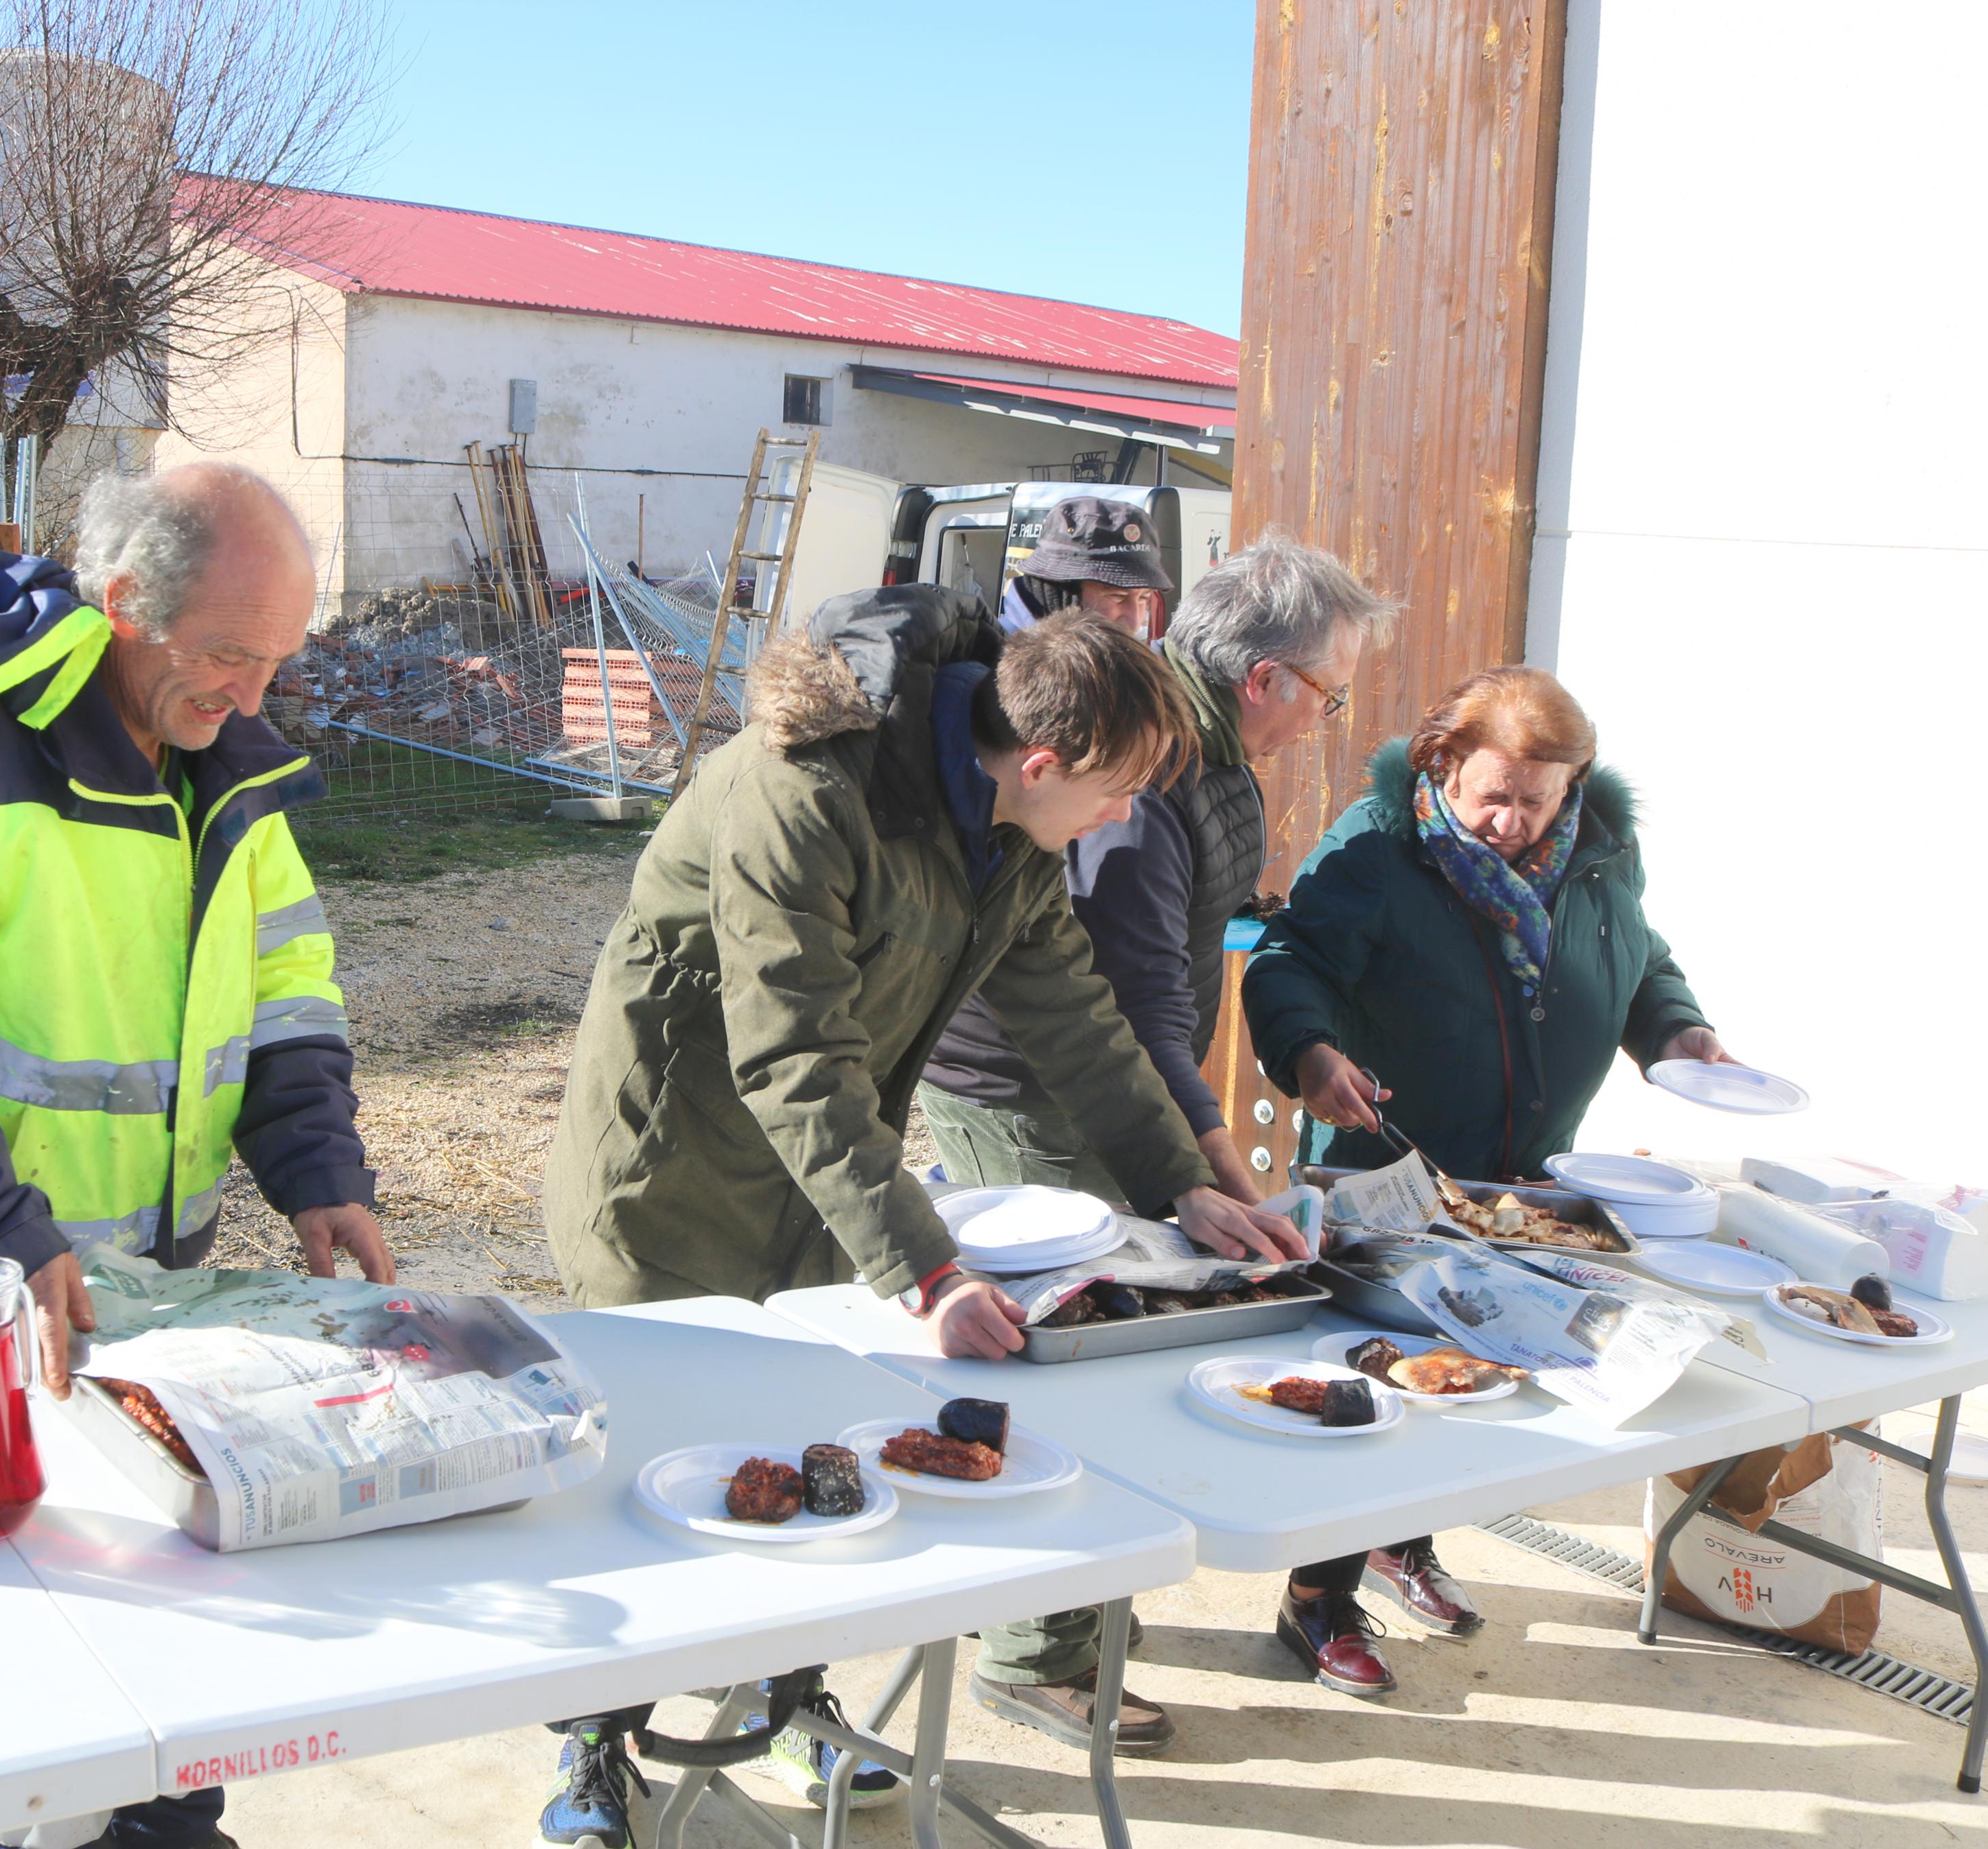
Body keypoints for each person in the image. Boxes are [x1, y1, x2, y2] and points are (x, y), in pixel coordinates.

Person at [535, 589, 1300, 1849]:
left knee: (800, 1444)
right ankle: (593, 1748)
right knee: (642, 1477)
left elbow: (1073, 1012)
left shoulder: (1008, 823)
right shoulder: (807, 790)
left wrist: (1183, 1179)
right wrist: (929, 1273)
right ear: (1042, 760)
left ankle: (786, 1694)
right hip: (673, 1171)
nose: (1122, 822)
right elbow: (790, 1059)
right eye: (1114, 795)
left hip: (822, 1180)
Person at [0, 463, 392, 1849]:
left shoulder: (228, 769)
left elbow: (287, 989)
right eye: (225, 653)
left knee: (179, 1605)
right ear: (118, 609)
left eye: (276, 660)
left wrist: (317, 1168)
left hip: (154, 1282)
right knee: (30, 1645)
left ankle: (166, 1825)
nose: (251, 694)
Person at [920, 532, 1392, 1740]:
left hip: (1115, 1080)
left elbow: (1184, 953)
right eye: (1327, 695)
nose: (1326, 720)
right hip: (1037, 1093)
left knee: (1102, 1351)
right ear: (1262, 680)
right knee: (1059, 1354)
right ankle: (1031, 1653)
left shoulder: (1207, 749)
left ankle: (1059, 1607)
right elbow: (1132, 998)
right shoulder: (1158, 773)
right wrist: (1211, 1163)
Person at [1243, 663, 1729, 1697]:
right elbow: (1287, 962)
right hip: (1386, 1172)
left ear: (1574, 784)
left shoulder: (1598, 851)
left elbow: (1636, 958)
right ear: (1441, 763)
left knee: (1461, 1381)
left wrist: (1675, 1027)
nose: (1510, 820)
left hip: (1514, 1184)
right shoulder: (1377, 849)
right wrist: (1309, 1052)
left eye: (1536, 796)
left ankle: (1397, 1542)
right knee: (1376, 1383)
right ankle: (1314, 1598)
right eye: (1490, 794)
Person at [999, 493, 1171, 638]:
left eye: (1143, 599)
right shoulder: (991, 669)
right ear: (1059, 596)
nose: (1135, 623)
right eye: (1118, 597)